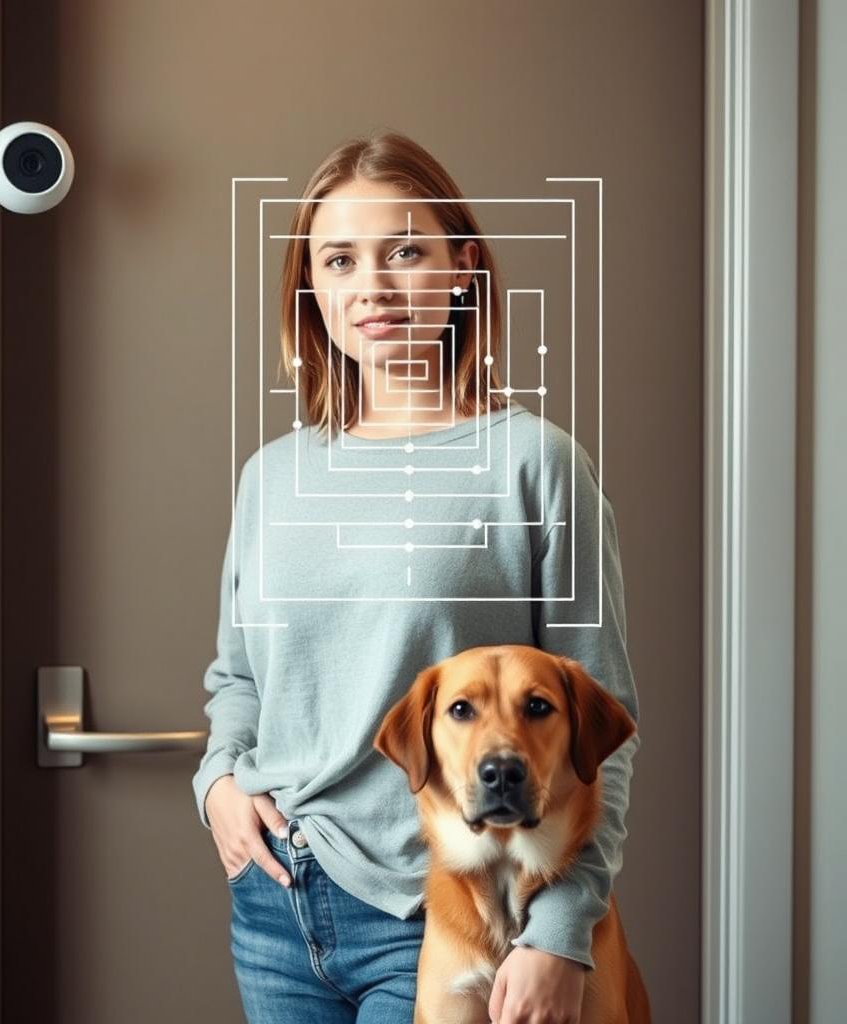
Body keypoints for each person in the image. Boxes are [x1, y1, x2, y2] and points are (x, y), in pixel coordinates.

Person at [191, 129, 641, 1024]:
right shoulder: (270, 475)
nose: (374, 287)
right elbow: (240, 674)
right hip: (275, 902)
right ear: (310, 289)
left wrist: (561, 924)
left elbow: (603, 726)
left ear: (464, 267)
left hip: (441, 912)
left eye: (405, 251)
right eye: (340, 260)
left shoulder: (535, 464)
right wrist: (217, 787)